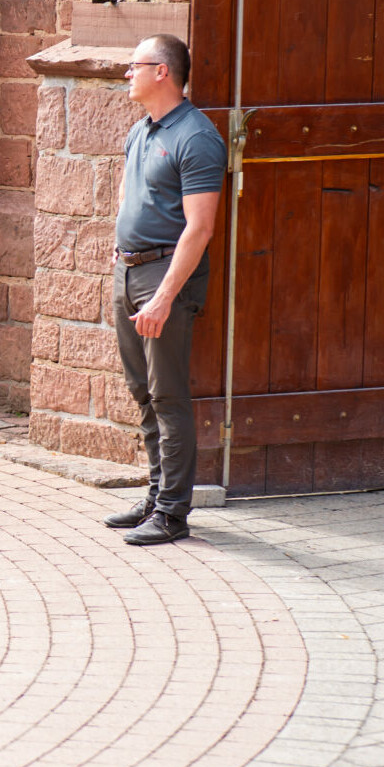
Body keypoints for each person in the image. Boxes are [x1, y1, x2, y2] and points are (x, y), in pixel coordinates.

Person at [106, 33, 225, 546]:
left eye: (135, 66)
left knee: (168, 395)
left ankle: (174, 512)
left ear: (162, 72)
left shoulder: (197, 137)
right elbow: (129, 194)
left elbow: (199, 228)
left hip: (163, 277)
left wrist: (163, 295)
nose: (127, 74)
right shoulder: (142, 131)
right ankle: (156, 495)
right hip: (128, 271)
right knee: (142, 391)